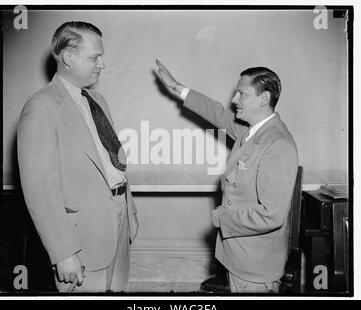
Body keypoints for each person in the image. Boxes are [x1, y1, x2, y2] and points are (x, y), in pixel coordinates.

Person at [156, 60, 298, 293]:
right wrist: (177, 87)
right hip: (241, 257)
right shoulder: (252, 130)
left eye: (242, 93)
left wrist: (222, 218)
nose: (234, 100)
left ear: (264, 99)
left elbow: (271, 215)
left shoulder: (277, 144)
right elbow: (217, 113)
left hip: (255, 266)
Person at [17, 21, 139, 293]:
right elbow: (40, 190)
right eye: (95, 57)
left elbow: (111, 162)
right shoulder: (41, 106)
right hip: (81, 238)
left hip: (118, 222)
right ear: (69, 57)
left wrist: (129, 211)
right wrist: (63, 252)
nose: (102, 64)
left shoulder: (98, 100)